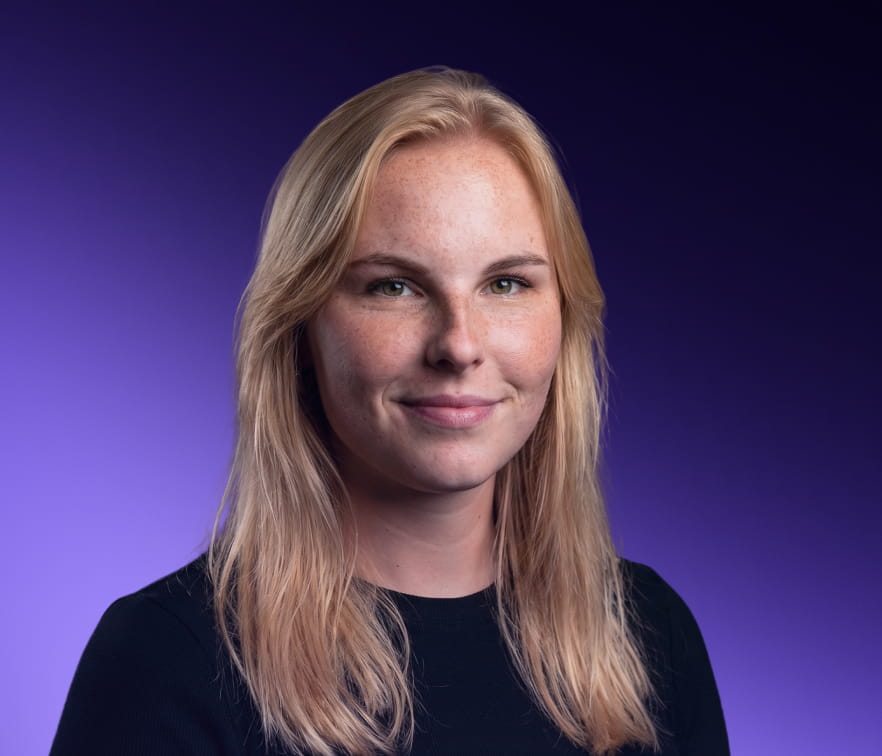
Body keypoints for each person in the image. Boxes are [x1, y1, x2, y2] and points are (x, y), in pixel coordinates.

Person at [51, 67, 729, 755]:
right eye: (394, 286)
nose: (459, 345)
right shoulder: (166, 662)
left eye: (505, 283)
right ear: (300, 327)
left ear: (564, 316)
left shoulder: (650, 636)